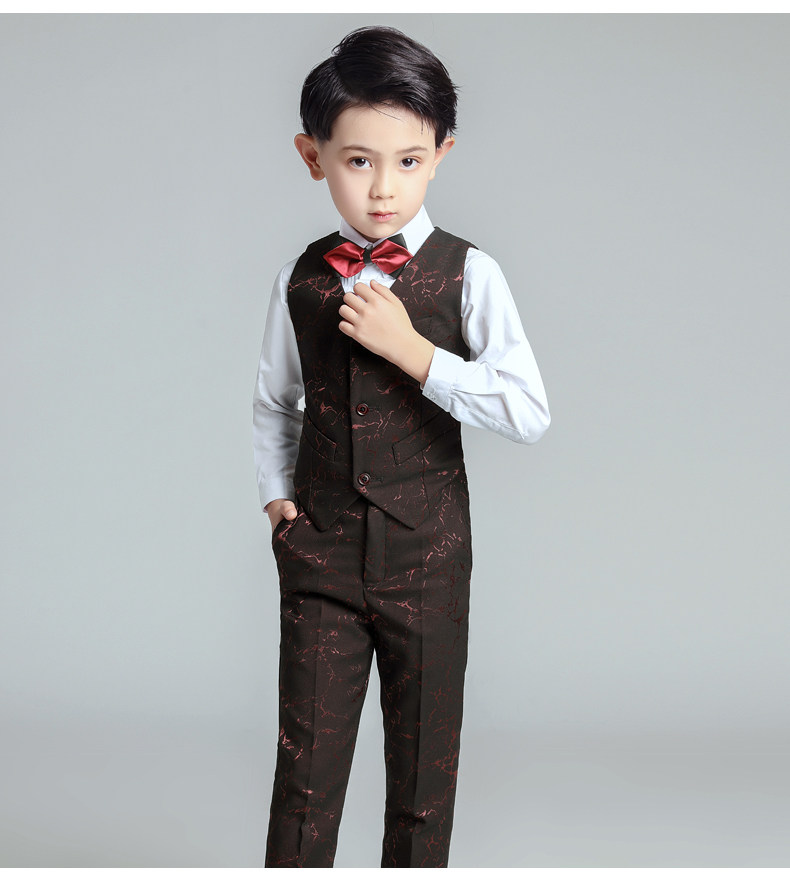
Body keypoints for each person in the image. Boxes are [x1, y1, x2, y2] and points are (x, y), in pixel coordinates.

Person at [252, 25, 550, 868]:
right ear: (313, 157)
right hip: (321, 553)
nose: (384, 187)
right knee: (304, 778)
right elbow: (274, 400)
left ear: (441, 155)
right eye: (358, 160)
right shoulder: (300, 278)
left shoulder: (469, 274)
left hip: (428, 558)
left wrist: (418, 353)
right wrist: (277, 500)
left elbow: (528, 410)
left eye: (408, 160)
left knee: (424, 777)